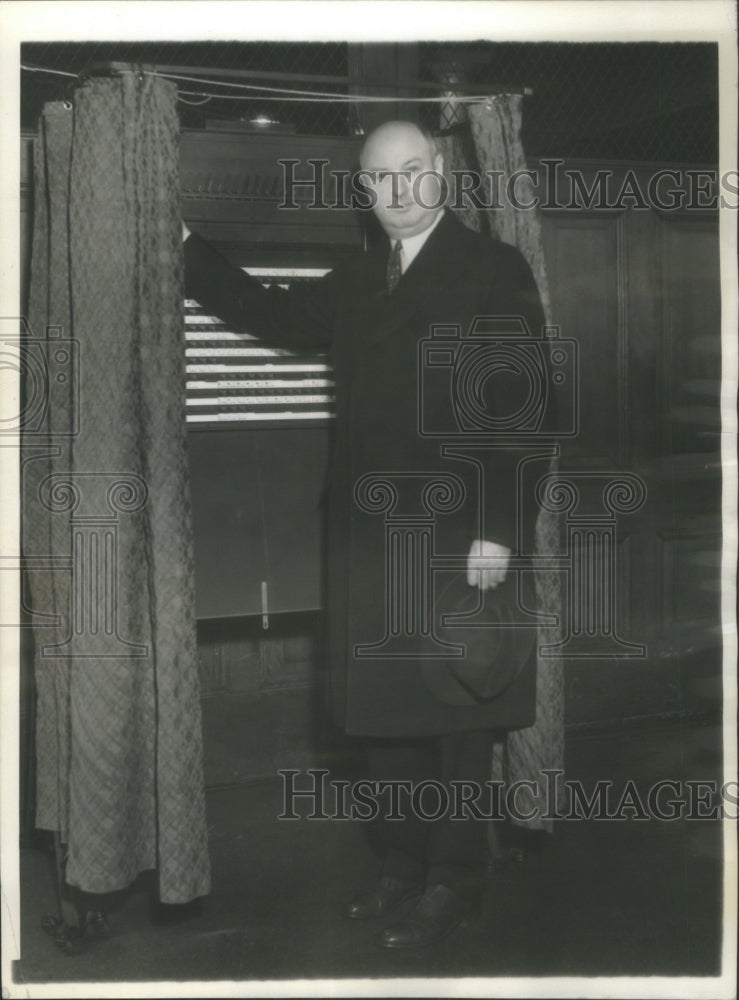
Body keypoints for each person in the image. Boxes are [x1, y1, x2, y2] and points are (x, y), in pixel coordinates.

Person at [182, 121, 546, 949]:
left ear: (442, 172)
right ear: (364, 191)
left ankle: (454, 879)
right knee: (383, 718)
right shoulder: (357, 277)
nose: (397, 192)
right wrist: (186, 249)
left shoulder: (494, 269)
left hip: (460, 538)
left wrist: (496, 533)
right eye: (378, 180)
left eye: (411, 172)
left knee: (457, 716)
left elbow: (524, 417)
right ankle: (399, 868)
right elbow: (272, 314)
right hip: (369, 541)